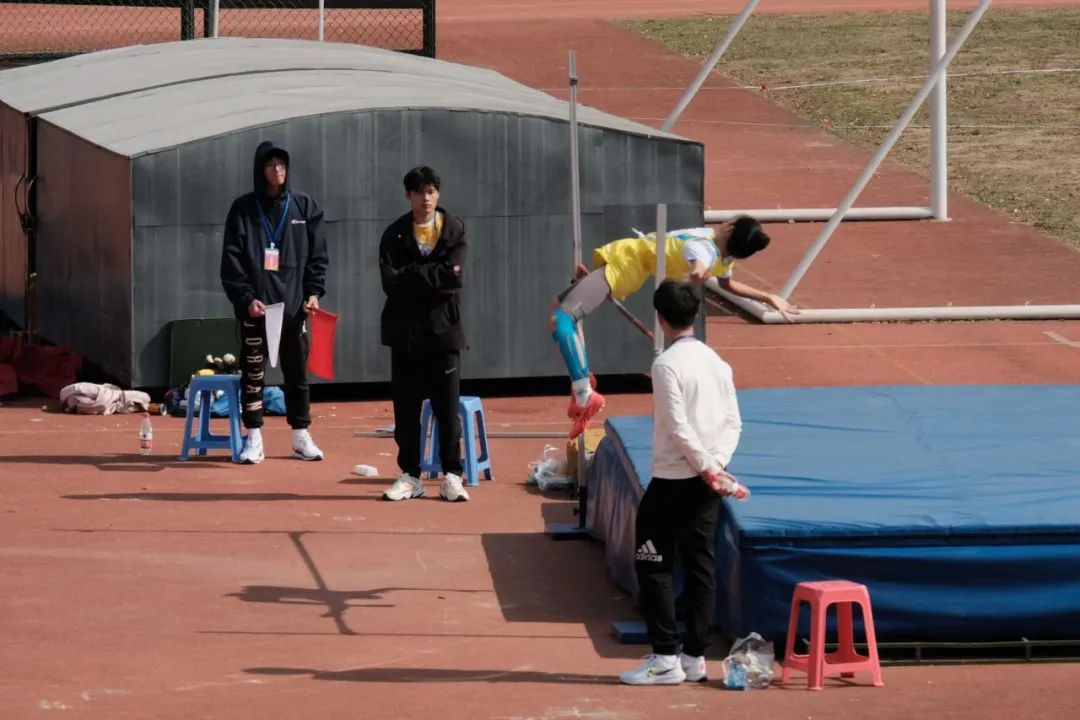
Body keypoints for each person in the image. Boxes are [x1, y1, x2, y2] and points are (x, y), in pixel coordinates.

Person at [550, 217, 797, 439]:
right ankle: (583, 377)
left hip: (628, 264)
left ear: (729, 227)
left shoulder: (704, 249)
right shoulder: (723, 256)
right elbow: (728, 285)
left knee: (563, 321)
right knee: (557, 311)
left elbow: (699, 264)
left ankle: (584, 393)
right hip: (629, 261)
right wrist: (768, 297)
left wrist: (696, 274)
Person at [619, 280, 747, 686]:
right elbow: (733, 423)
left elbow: (678, 427)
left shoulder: (666, 365)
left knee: (653, 563)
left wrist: (708, 467)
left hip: (676, 479)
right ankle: (694, 656)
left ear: (660, 318)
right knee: (699, 562)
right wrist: (716, 467)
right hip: (706, 482)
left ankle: (665, 657)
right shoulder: (717, 362)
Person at [220, 140, 328, 464]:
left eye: (282, 164)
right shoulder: (243, 209)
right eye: (271, 165)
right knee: (253, 375)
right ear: (260, 170)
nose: (278, 170)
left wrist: (313, 293)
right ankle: (253, 437)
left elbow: (318, 257)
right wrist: (245, 299)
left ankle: (300, 436)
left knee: (297, 375)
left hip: (294, 309)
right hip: (257, 309)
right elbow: (231, 261)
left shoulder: (305, 206)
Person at [378, 166, 470, 503]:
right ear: (408, 195)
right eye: (419, 191)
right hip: (405, 336)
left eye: (431, 190)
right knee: (406, 411)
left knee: (447, 410)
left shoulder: (454, 229)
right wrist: (432, 276)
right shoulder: (394, 234)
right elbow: (390, 283)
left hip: (444, 334)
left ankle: (452, 475)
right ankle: (410, 476)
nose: (425, 198)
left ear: (438, 194)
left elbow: (454, 279)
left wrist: (414, 274)